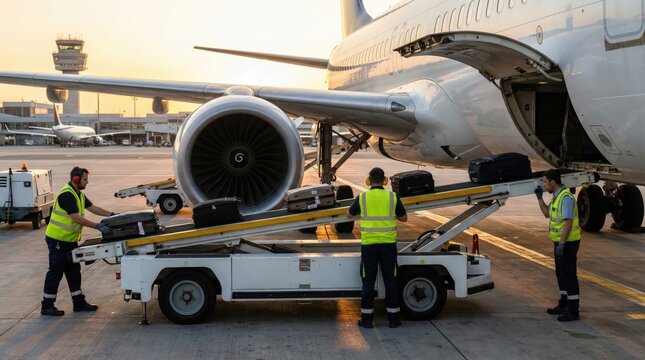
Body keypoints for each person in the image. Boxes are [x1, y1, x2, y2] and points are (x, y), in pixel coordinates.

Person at [41, 166, 116, 316]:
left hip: (69, 240)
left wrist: (112, 215)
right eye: (85, 179)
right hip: (57, 240)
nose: (87, 182)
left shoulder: (78, 194)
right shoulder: (67, 195)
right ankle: (47, 306)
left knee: (74, 271)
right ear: (76, 179)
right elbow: (75, 217)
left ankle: (78, 302)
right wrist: (97, 226)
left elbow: (93, 208)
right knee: (55, 272)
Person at [346, 167, 407, 328]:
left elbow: (348, 215)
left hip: (369, 246)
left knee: (368, 282)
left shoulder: (363, 197)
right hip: (388, 246)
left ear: (369, 181)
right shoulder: (392, 197)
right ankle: (394, 320)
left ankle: (366, 320)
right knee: (391, 281)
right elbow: (404, 218)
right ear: (385, 181)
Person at [534, 169, 581, 322]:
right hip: (560, 242)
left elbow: (568, 222)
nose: (544, 184)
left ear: (553, 182)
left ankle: (573, 310)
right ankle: (564, 303)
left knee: (568, 275)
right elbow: (547, 214)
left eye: (545, 182)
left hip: (567, 243)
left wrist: (562, 243)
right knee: (560, 274)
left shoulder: (565, 198)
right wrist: (539, 198)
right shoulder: (556, 197)